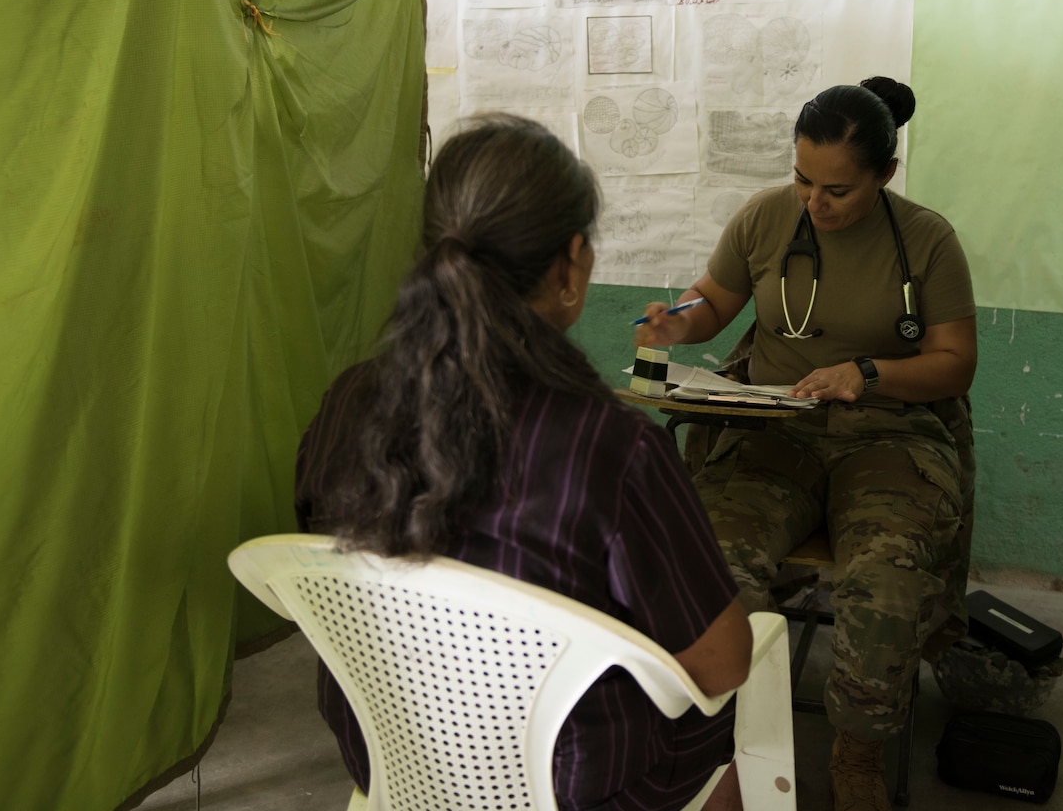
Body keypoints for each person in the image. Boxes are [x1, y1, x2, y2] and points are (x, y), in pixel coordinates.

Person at [294, 115, 753, 811]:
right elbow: (721, 662)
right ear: (570, 266)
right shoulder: (614, 445)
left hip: (392, 758)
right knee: (737, 729)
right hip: (574, 786)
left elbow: (323, 567)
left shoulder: (349, 402)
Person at [635, 78, 978, 811]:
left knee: (884, 583)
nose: (814, 204)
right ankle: (724, 739)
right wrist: (676, 322)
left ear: (884, 175)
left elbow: (956, 362)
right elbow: (712, 302)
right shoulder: (766, 218)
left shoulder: (926, 240)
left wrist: (868, 372)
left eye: (838, 190)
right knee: (713, 571)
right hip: (773, 430)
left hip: (888, 436)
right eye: (802, 180)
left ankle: (857, 753)